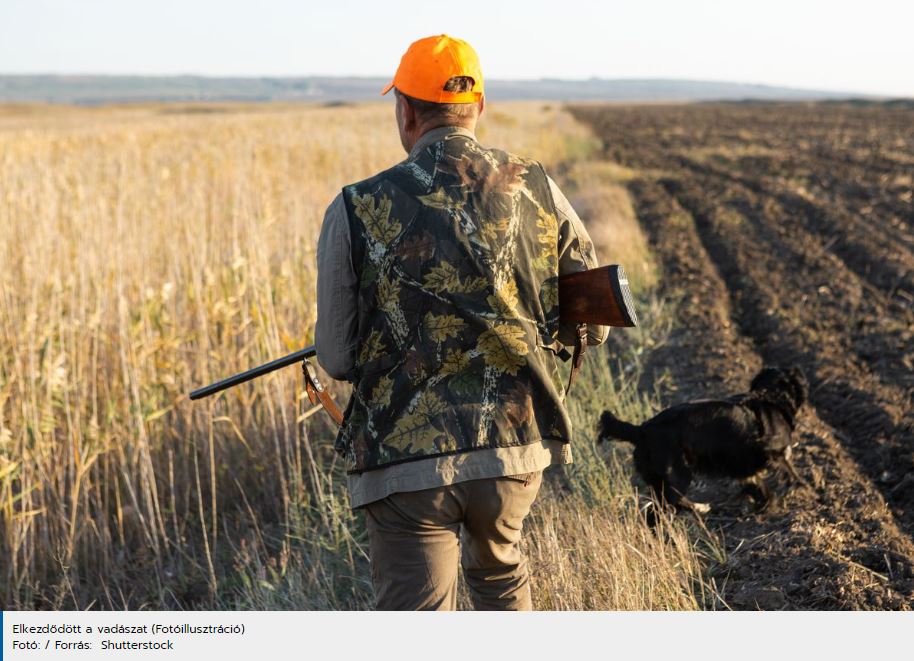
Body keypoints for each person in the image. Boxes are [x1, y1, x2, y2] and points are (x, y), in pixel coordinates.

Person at [315, 34, 606, 611]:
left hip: (405, 463)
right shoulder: (540, 188)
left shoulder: (354, 206)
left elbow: (339, 359)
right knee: (501, 583)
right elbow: (592, 325)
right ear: (478, 107)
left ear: (406, 111)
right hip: (514, 449)